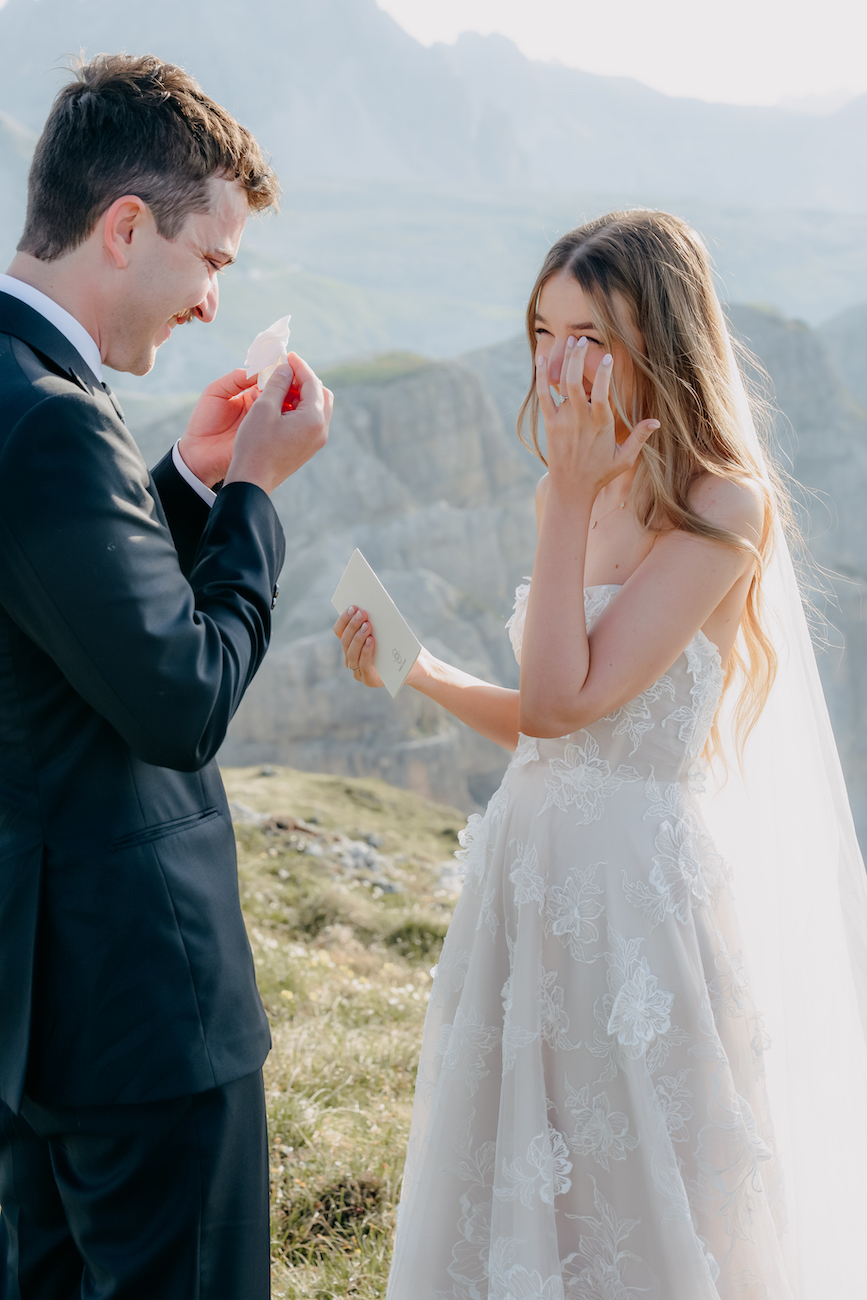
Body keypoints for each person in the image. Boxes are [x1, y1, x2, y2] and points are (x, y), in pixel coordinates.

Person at [335, 210, 867, 1298]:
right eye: (541, 330)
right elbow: (543, 732)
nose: (554, 362)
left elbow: (564, 701)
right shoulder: (567, 494)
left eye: (587, 334)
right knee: (527, 1179)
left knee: (650, 1200)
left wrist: (569, 496)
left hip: (634, 903)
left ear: (656, 344)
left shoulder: (723, 506)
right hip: (527, 878)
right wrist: (418, 666)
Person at [0, 54, 332, 1300]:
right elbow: (181, 702)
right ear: (127, 226)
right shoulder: (51, 421)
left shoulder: (18, 392)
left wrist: (181, 486)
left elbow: (54, 620)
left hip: (34, 1019)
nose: (211, 301)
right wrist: (252, 495)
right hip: (138, 1012)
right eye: (214, 260)